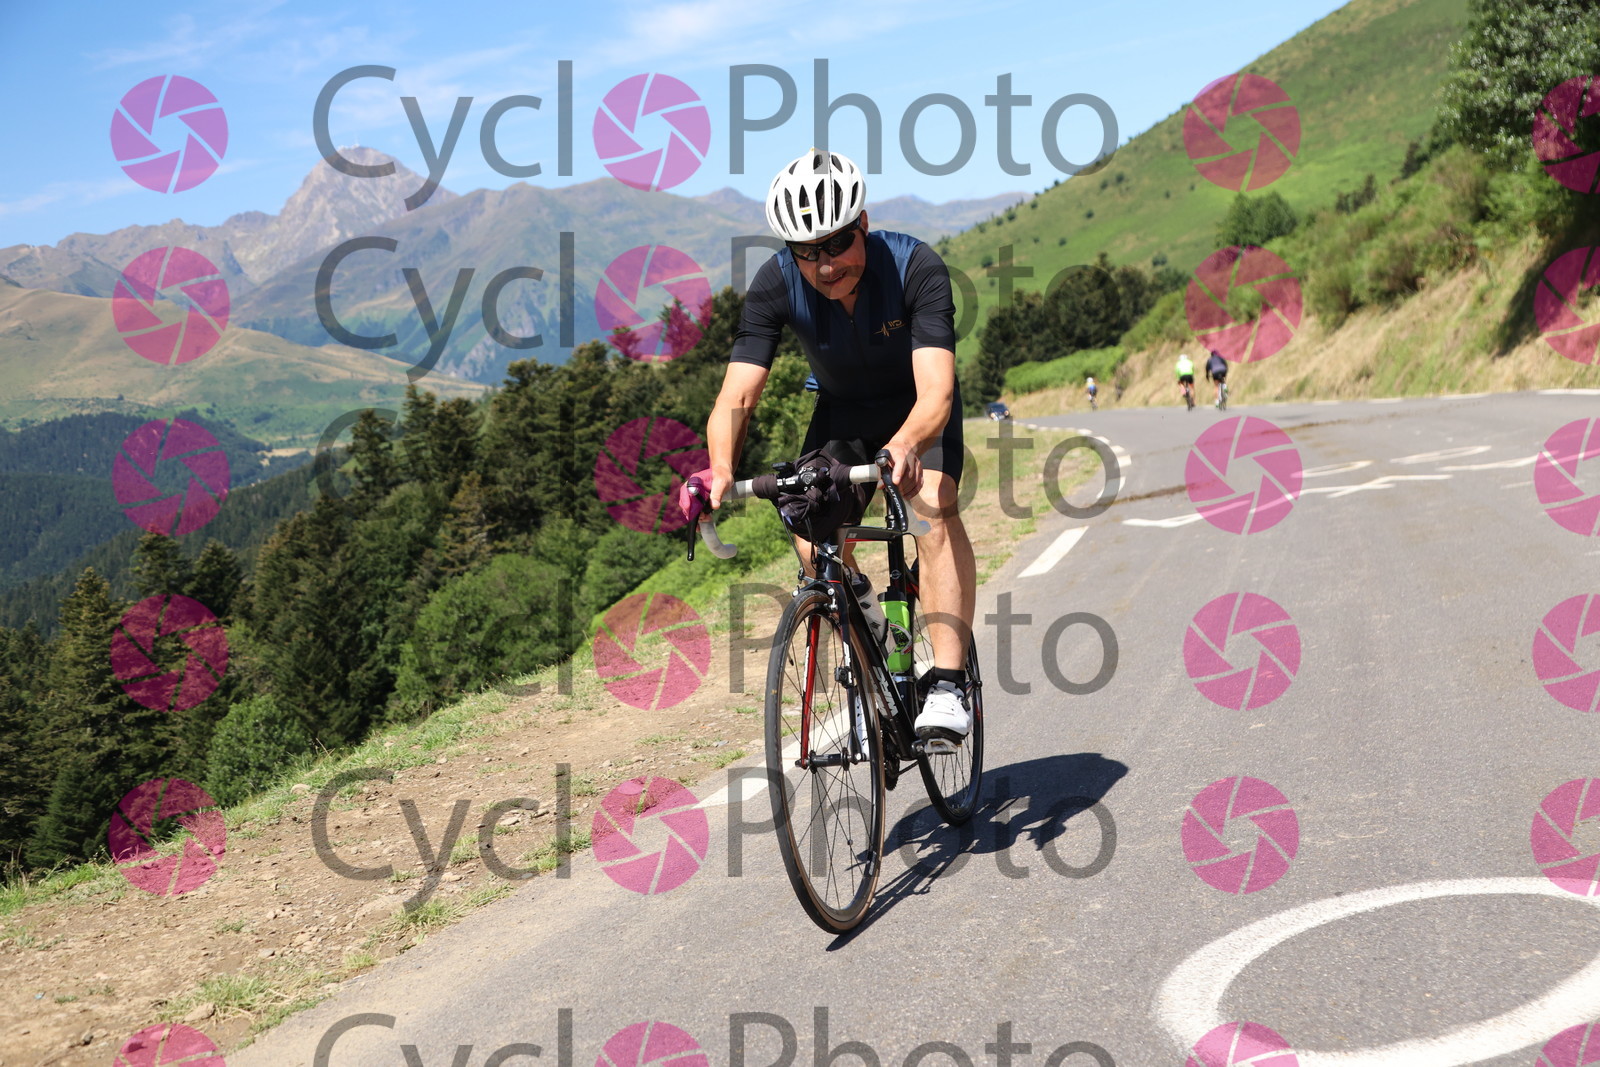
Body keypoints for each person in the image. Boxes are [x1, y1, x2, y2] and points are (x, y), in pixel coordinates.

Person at [702, 149, 975, 743]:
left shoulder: (915, 266)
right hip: (844, 413)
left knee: (931, 504)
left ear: (863, 224)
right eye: (807, 251)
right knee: (810, 538)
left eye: (838, 243)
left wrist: (906, 444)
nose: (825, 265)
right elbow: (737, 395)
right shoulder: (775, 282)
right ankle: (870, 672)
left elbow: (937, 391)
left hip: (918, 411)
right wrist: (719, 467)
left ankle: (949, 684)